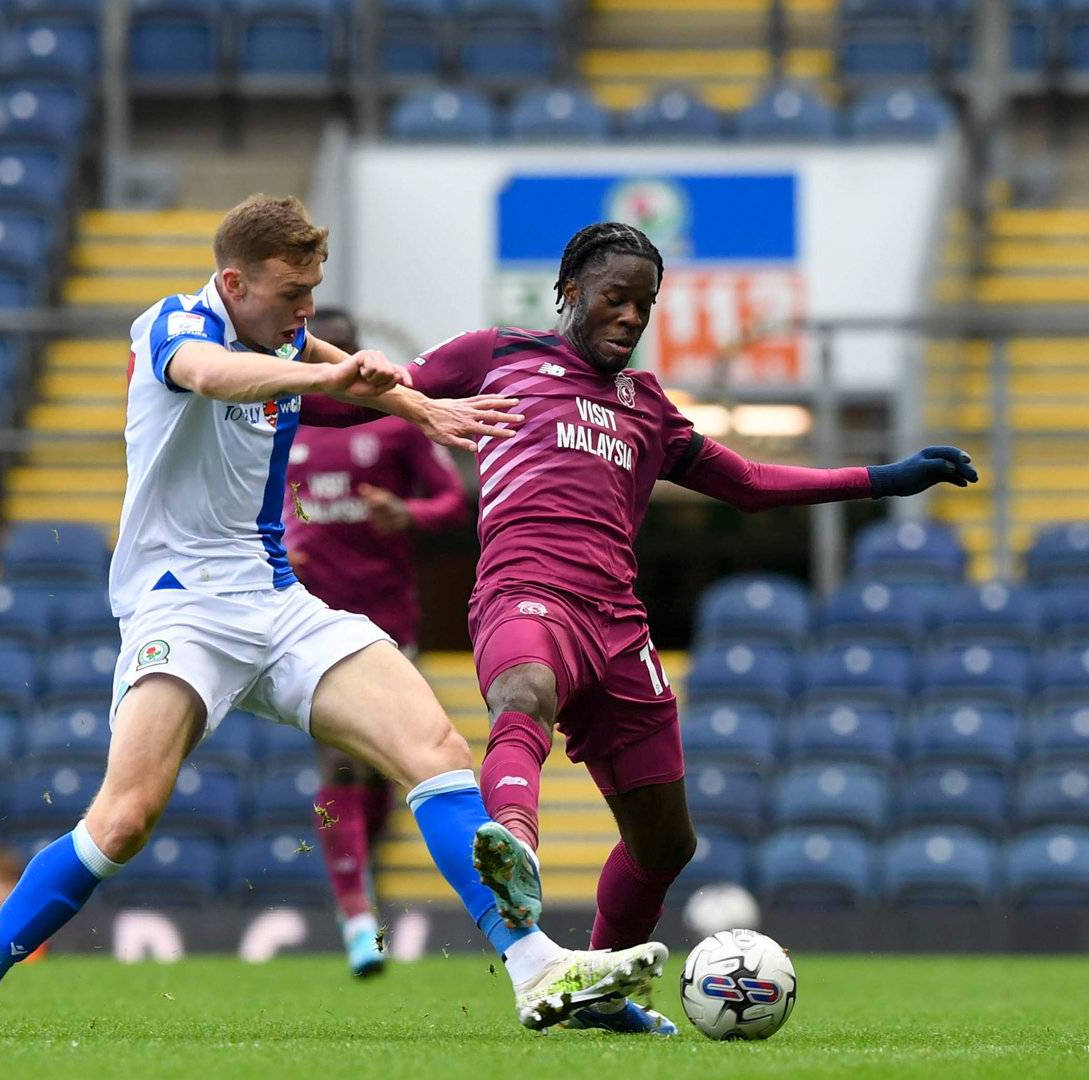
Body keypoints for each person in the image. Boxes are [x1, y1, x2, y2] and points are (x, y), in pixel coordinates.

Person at [0, 196, 669, 1039]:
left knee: (436, 749)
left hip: (276, 598)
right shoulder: (173, 323)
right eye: (290, 293)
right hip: (181, 607)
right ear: (235, 281)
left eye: (314, 290)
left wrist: (421, 408)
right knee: (125, 818)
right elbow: (210, 375)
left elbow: (325, 358)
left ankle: (532, 969)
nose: (306, 309)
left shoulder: (279, 331)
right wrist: (327, 377)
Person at [308, 221, 977, 1034]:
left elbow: (751, 485)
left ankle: (594, 993)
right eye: (614, 299)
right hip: (526, 595)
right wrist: (254, 382)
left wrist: (880, 478)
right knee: (526, 690)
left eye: (644, 305)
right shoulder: (494, 355)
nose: (628, 317)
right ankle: (511, 842)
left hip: (620, 629)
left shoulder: (649, 405)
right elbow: (353, 401)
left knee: (666, 847)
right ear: (568, 293)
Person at [282, 306, 470, 977]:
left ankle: (362, 889)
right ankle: (356, 912)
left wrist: (407, 513)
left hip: (391, 623)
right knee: (341, 767)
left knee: (386, 773)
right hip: (309, 622)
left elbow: (453, 501)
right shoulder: (277, 418)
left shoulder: (394, 424)